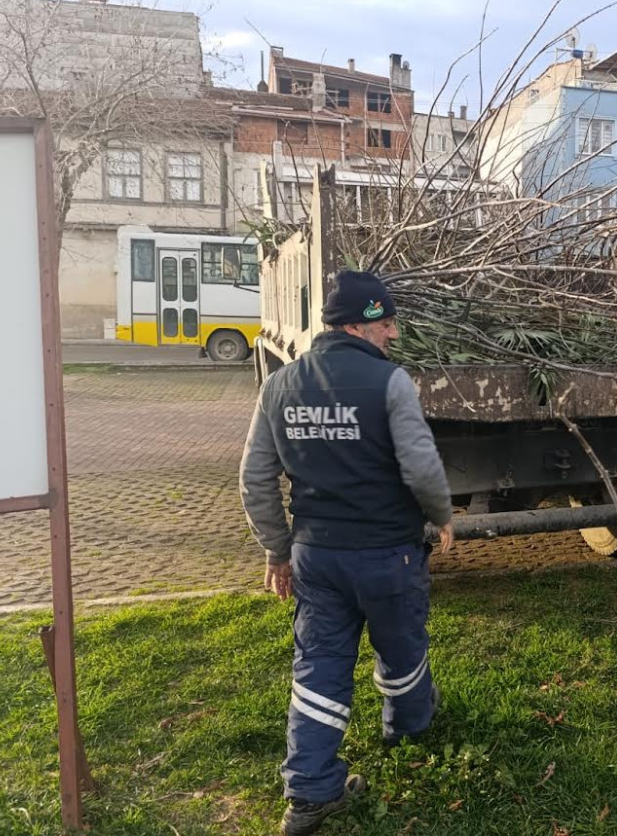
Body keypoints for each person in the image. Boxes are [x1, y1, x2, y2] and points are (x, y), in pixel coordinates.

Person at [240, 270, 455, 835]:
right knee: (402, 644)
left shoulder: (279, 386)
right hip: (388, 554)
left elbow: (254, 480)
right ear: (360, 325)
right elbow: (421, 466)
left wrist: (277, 551)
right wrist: (442, 515)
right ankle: (407, 729)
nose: (393, 336)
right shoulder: (391, 383)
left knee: (319, 666)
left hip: (316, 557)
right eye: (386, 325)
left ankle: (309, 794)